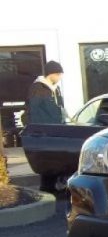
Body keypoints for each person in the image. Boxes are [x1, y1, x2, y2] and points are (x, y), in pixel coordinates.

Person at [26, 60, 68, 193]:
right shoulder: (38, 88)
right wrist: (39, 130)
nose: (60, 77)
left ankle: (55, 184)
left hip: (57, 129)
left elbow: (59, 108)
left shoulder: (55, 89)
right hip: (45, 130)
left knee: (57, 158)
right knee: (48, 159)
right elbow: (34, 111)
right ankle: (47, 187)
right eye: (59, 74)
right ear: (52, 74)